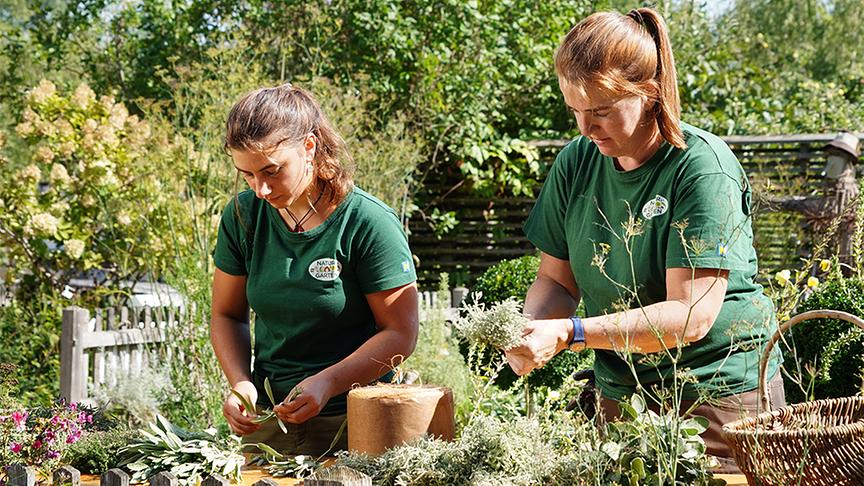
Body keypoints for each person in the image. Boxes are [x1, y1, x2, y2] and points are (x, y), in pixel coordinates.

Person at [503, 8, 785, 472]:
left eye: (601, 111)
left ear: (649, 92)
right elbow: (556, 281)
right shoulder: (577, 163)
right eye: (574, 110)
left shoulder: (700, 168)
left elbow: (689, 317)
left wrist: (570, 333)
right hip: (622, 388)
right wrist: (528, 328)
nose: (585, 128)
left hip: (717, 396)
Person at [210, 83, 419, 455]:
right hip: (271, 422)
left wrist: (328, 382)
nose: (261, 189)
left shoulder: (367, 222)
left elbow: (400, 334)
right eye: (247, 175)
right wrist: (241, 384)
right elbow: (227, 315)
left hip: (357, 421)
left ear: (309, 147)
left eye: (272, 171)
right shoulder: (243, 217)